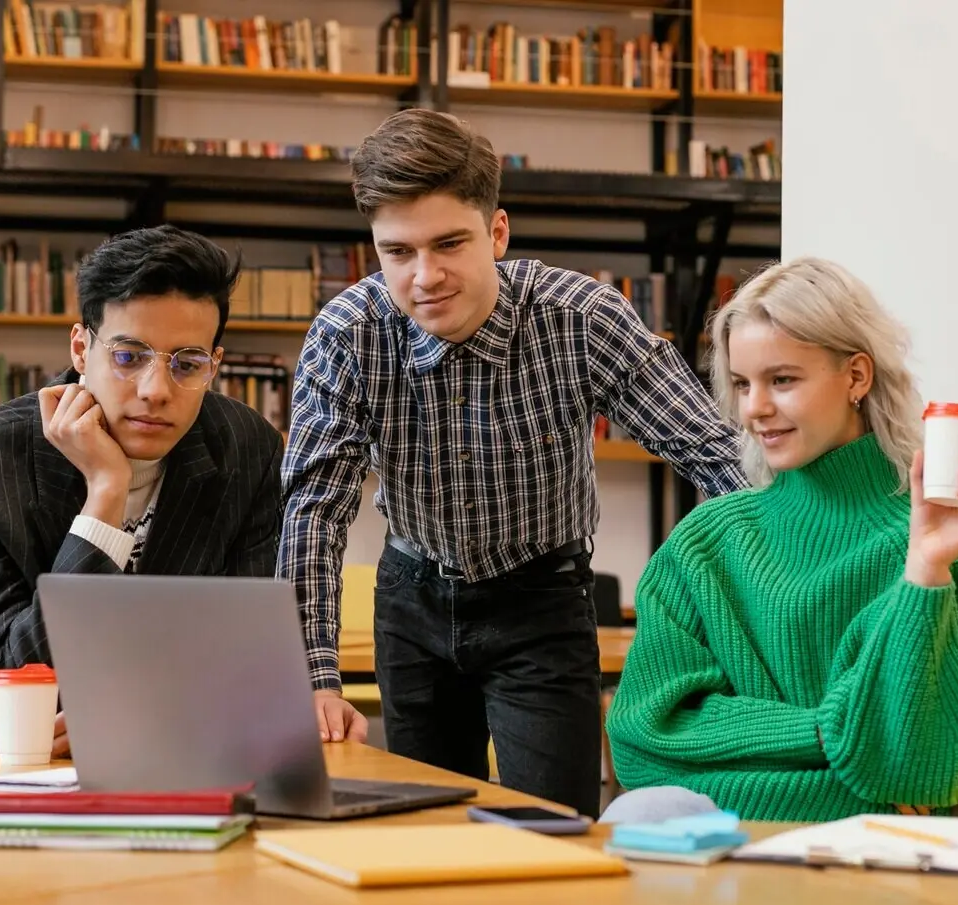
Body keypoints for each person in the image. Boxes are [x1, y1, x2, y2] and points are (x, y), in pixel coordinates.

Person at [277, 108, 748, 819]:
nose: (424, 277)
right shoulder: (347, 335)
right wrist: (310, 676)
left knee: (547, 830)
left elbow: (713, 453)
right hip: (413, 601)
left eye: (449, 244)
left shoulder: (581, 317)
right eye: (397, 252)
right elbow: (315, 510)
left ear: (497, 232)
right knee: (424, 832)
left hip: (542, 600)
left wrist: (777, 604)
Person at [602, 256, 958, 823]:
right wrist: (835, 734)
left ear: (857, 377)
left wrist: (925, 572)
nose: (755, 409)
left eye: (783, 379)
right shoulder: (703, 545)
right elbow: (643, 745)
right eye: (743, 384)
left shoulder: (937, 542)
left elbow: (926, 773)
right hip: (722, 857)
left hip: (869, 873)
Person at [0, 225, 293, 760]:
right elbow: (16, 690)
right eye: (129, 357)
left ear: (214, 365)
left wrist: (129, 716)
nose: (156, 391)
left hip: (154, 745)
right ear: (82, 349)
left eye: (188, 364)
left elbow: (246, 656)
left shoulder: (248, 451)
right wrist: (105, 495)